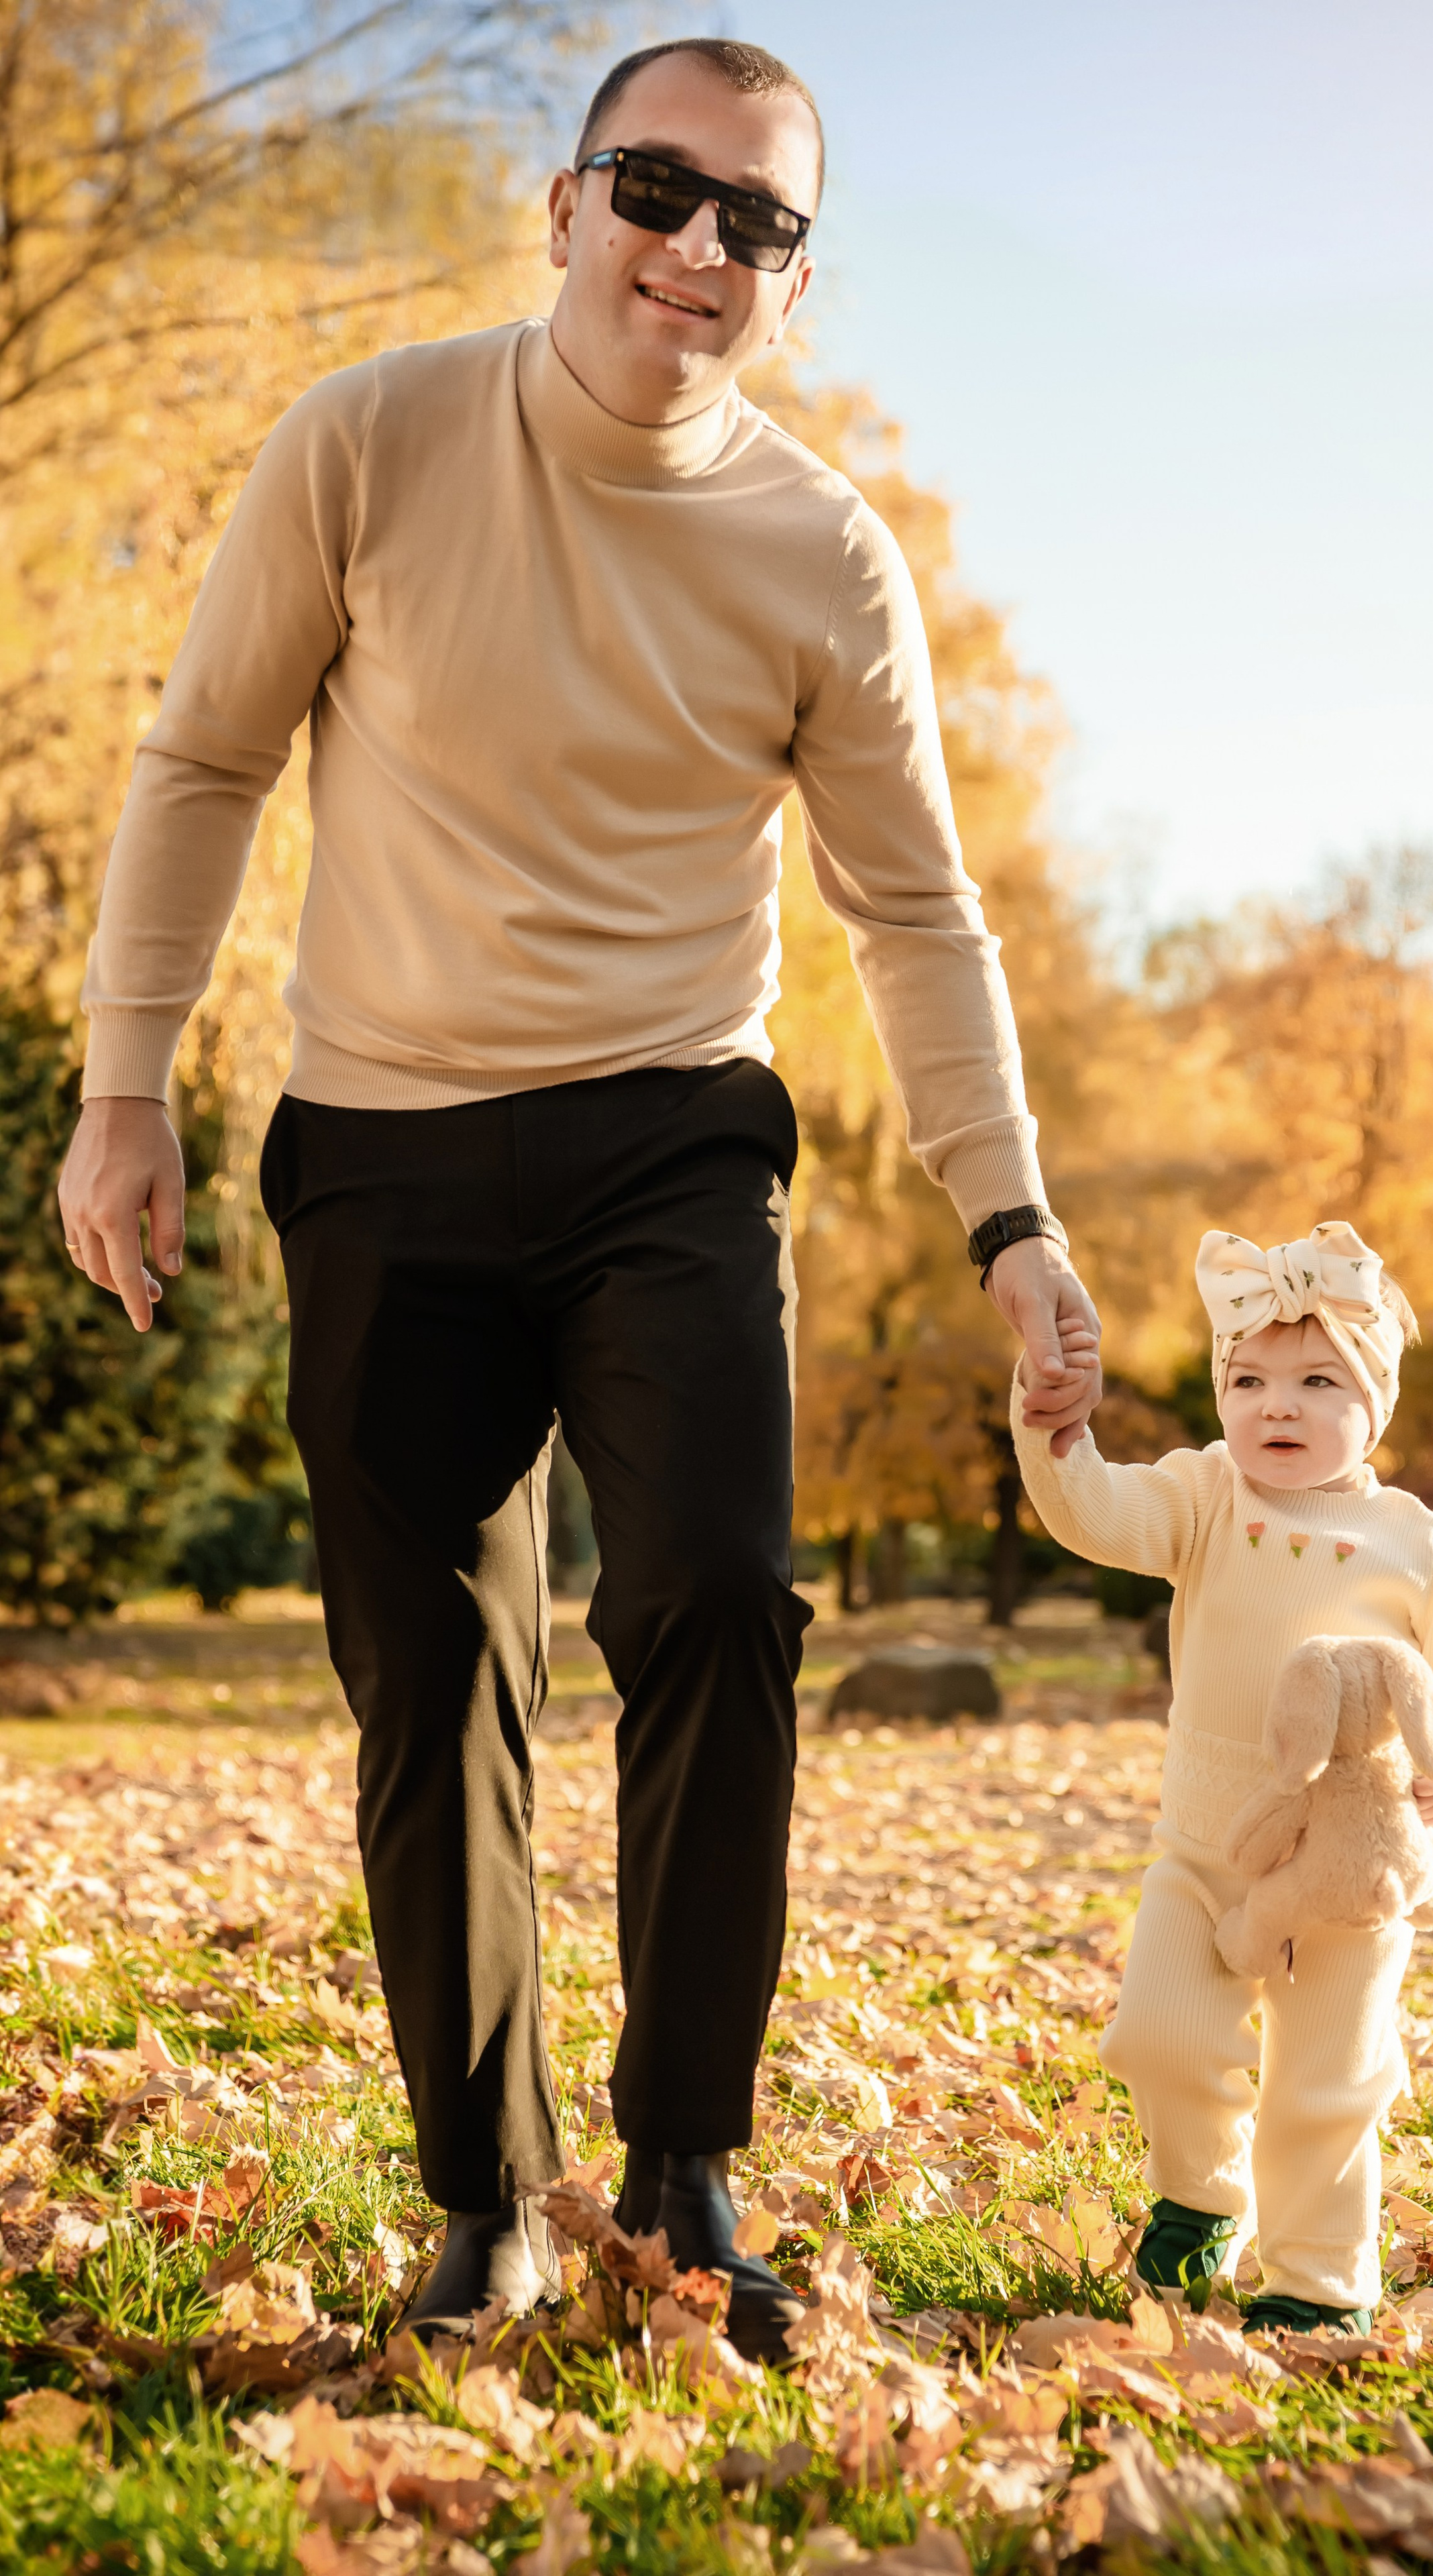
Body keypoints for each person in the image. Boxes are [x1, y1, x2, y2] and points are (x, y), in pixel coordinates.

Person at [56, 38, 1102, 2358]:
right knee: (429, 1671)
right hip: (388, 1145)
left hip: (670, 1141)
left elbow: (916, 917)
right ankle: (483, 2195)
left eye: (760, 224)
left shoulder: (824, 554)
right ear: (562, 204)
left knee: (722, 1591)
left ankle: (682, 2160)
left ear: (793, 283)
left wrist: (1010, 1219)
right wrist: (124, 1086)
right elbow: (211, 754)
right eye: (662, 190)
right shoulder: (368, 442)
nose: (701, 248)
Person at [1010, 1222, 1433, 2332]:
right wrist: (1054, 1428)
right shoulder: (1205, 1499)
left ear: (1376, 1400)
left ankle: (1319, 2282)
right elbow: (1096, 1512)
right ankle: (1200, 2197)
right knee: (1160, 2031)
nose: (1275, 1406)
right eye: (1249, 1380)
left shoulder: (1416, 1542)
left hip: (1351, 1853)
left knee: (1328, 2078)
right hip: (1206, 1842)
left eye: (1316, 1380)